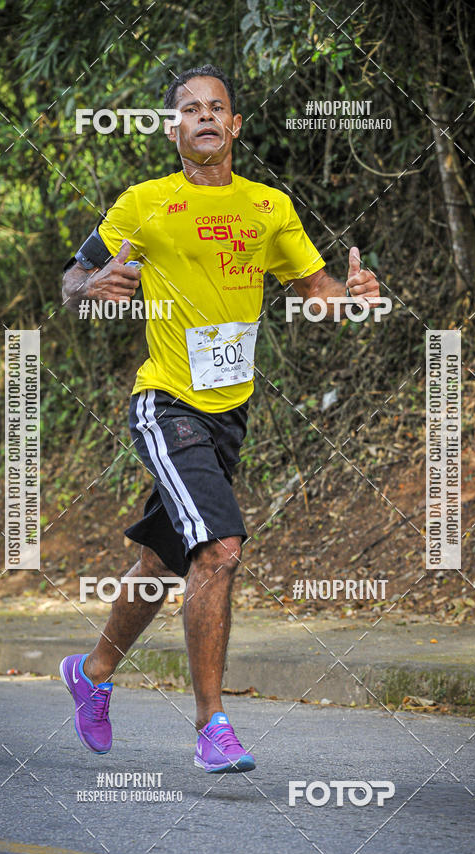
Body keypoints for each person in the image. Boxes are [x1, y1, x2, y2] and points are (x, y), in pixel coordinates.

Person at [60, 64, 379, 773]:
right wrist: (93, 287)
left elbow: (316, 291)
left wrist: (352, 296)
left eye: (218, 108)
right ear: (175, 128)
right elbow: (72, 279)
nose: (205, 117)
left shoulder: (268, 207)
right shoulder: (144, 203)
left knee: (163, 558)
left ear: (234, 126)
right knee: (221, 547)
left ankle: (94, 672)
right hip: (165, 403)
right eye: (190, 110)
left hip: (230, 415)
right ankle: (212, 725)